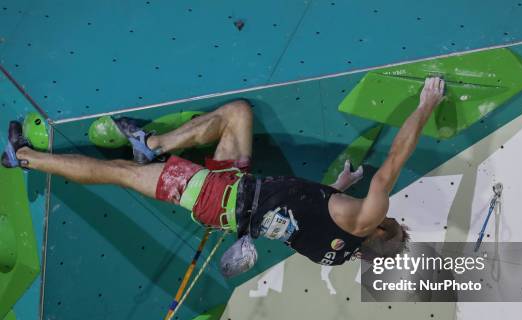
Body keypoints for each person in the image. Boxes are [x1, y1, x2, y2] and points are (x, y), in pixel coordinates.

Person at [2, 77, 445, 276]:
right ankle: (150, 146)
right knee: (237, 115)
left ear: (383, 228)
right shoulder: (338, 253)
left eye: (393, 222)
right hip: (238, 192)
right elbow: (309, 220)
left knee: (116, 173)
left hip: (218, 197)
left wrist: (425, 105)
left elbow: (390, 168)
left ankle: (22, 156)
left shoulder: (369, 219)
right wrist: (338, 189)